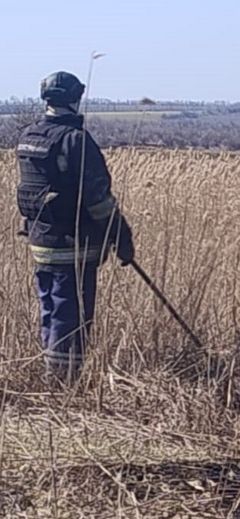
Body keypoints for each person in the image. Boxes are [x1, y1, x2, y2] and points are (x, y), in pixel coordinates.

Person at [16, 71, 135, 385]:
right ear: (75, 97)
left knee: (51, 311)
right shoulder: (76, 140)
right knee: (71, 318)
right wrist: (121, 236)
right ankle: (63, 385)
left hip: (39, 241)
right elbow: (99, 200)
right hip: (74, 245)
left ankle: (52, 378)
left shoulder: (30, 135)